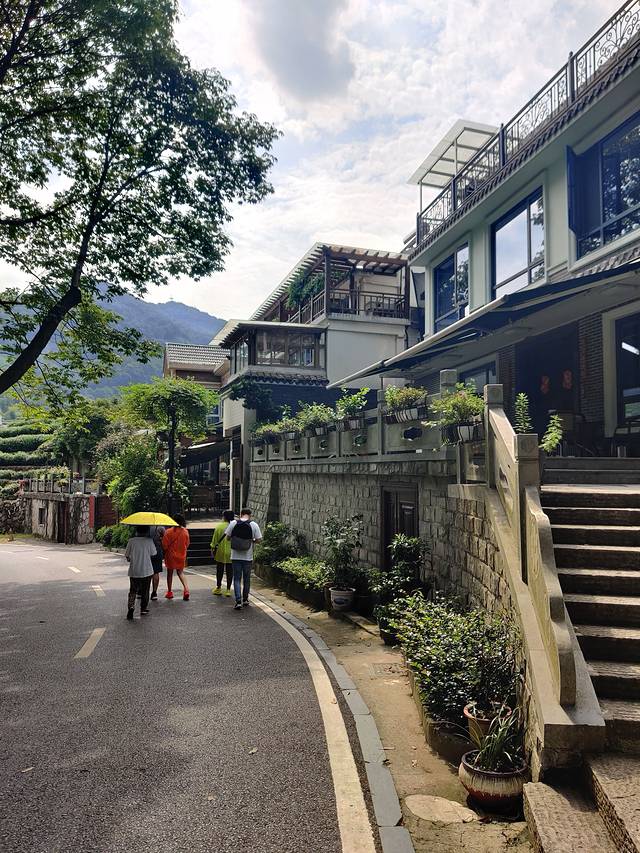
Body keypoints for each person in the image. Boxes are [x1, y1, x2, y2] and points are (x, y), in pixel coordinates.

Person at [226, 508, 262, 610]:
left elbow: (227, 538)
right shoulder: (254, 525)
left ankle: (238, 601)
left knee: (237, 578)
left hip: (235, 556)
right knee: (246, 578)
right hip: (248, 557)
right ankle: (245, 599)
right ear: (250, 515)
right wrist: (251, 541)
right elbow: (259, 540)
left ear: (241, 514)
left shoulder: (233, 523)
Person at [124, 525, 156, 620]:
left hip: (134, 570)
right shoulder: (149, 541)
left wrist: (130, 559)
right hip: (147, 570)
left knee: (133, 590)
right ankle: (143, 609)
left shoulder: (131, 541)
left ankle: (131, 606)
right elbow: (154, 553)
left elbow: (127, 555)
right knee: (145, 590)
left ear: (137, 531)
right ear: (147, 531)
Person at [162, 514, 190, 601]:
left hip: (170, 556)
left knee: (170, 573)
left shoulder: (168, 532)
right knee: (180, 572)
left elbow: (164, 545)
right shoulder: (185, 531)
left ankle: (169, 592)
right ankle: (186, 589)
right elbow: (187, 544)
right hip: (181, 555)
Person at [210, 510, 234, 597]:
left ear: (224, 517)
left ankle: (218, 588)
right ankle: (228, 590)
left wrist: (212, 549)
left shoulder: (219, 527)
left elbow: (214, 541)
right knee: (230, 571)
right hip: (231, 551)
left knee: (219, 570)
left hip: (220, 551)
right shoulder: (234, 527)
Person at [149, 525, 165, 601]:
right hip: (158, 551)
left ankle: (142, 592)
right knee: (156, 572)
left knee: (146, 572)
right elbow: (164, 539)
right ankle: (154, 593)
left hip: (148, 551)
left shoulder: (147, 527)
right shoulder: (161, 527)